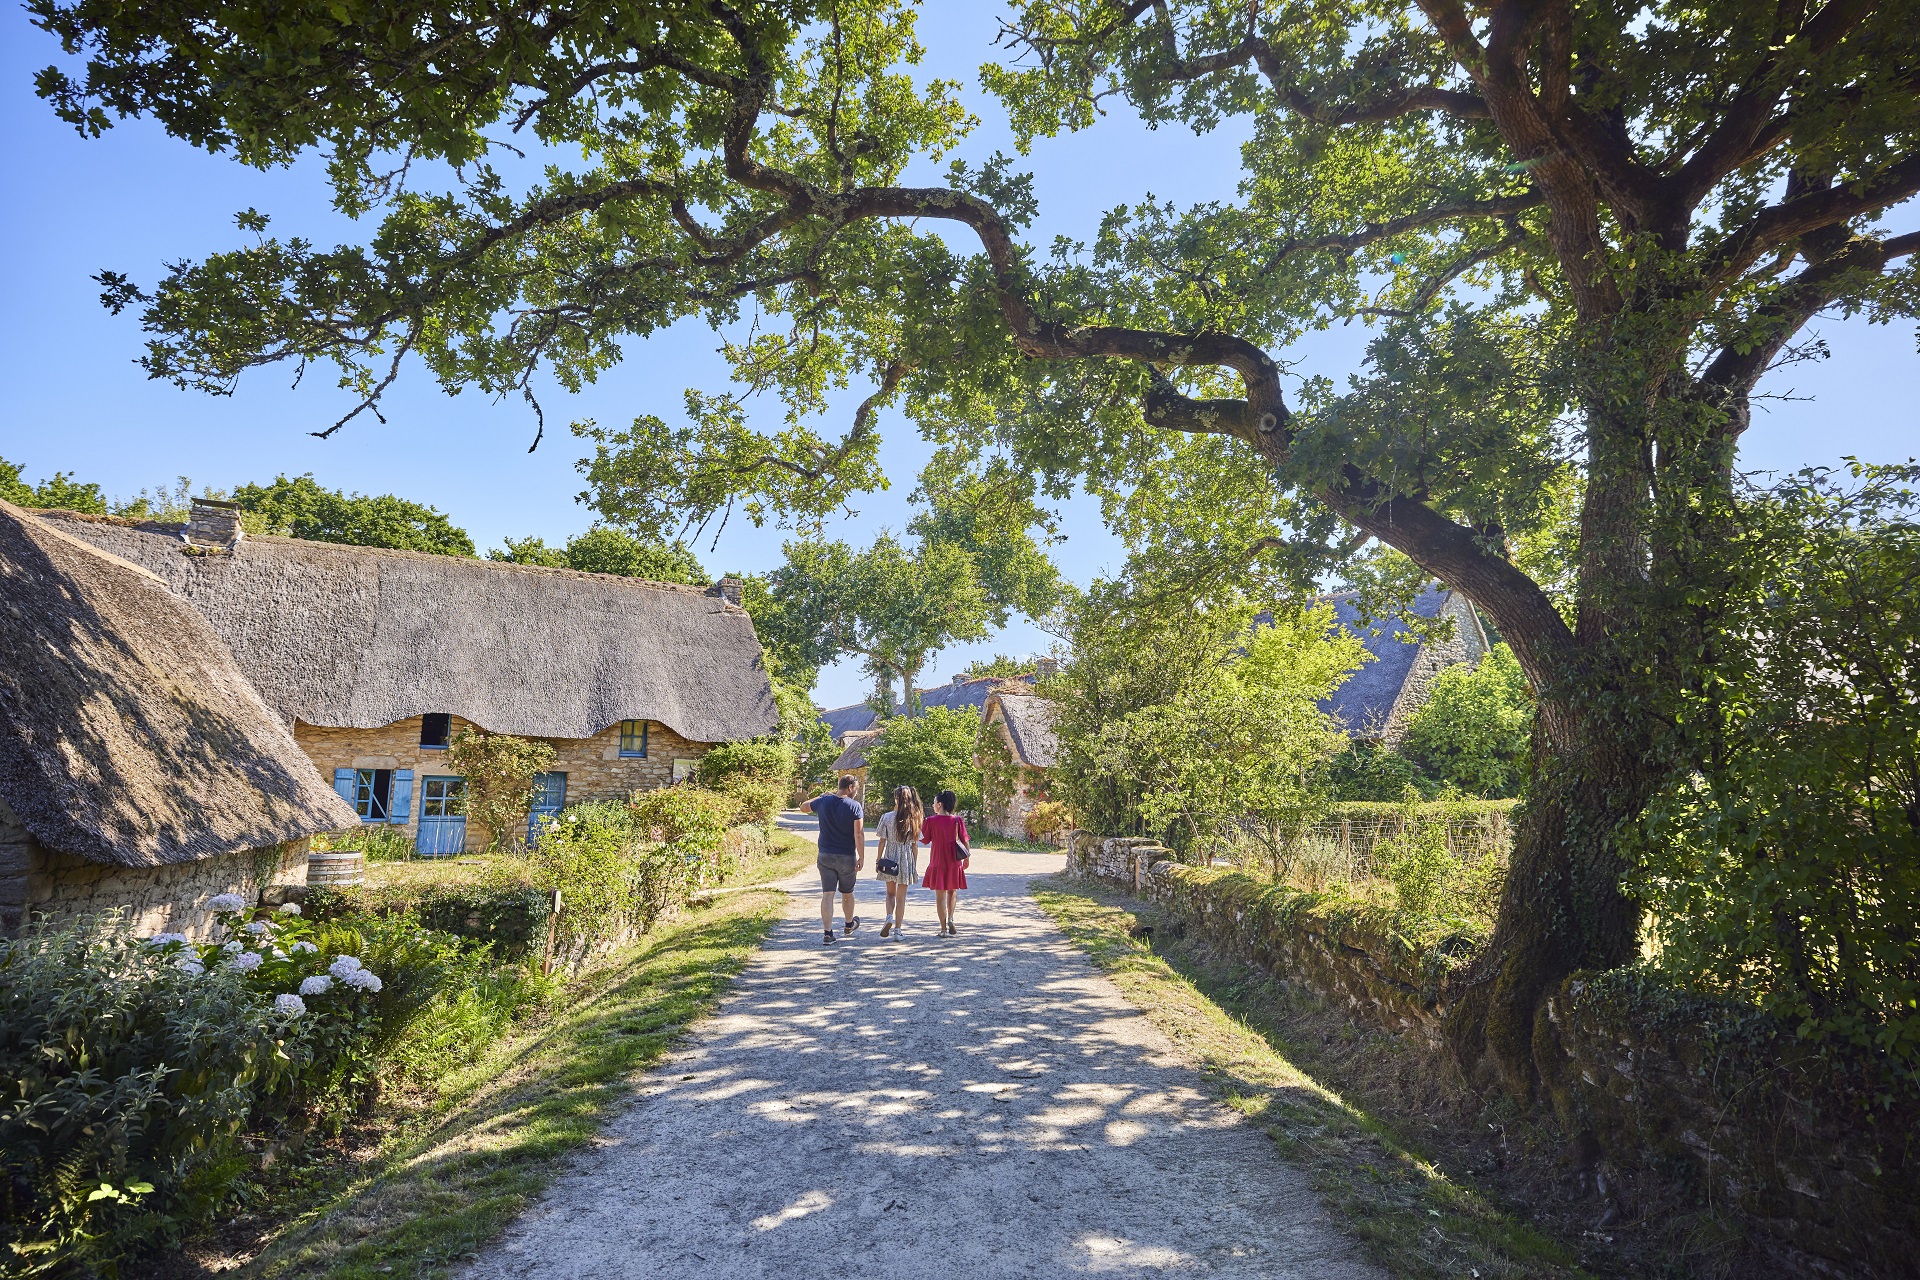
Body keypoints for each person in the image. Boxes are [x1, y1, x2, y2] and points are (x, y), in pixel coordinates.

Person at [805, 774, 866, 944]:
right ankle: (848, 925)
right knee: (847, 892)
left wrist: (821, 795)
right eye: (857, 788)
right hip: (846, 856)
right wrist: (861, 856)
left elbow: (803, 807)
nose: (857, 792)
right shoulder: (855, 806)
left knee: (827, 894)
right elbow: (859, 833)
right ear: (850, 787)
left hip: (825, 855)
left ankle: (828, 933)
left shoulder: (824, 801)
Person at [919, 789, 970, 936]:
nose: (933, 805)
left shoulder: (930, 821)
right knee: (952, 891)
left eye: (934, 803)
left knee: (940, 896)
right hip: (954, 861)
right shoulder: (957, 820)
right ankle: (951, 918)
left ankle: (943, 929)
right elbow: (965, 840)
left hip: (938, 861)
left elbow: (924, 839)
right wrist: (967, 857)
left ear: (939, 804)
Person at [874, 785, 922, 938]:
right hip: (906, 857)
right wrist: (913, 864)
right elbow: (915, 845)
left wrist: (878, 859)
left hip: (889, 857)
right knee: (901, 897)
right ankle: (898, 931)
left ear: (896, 798)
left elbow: (882, 841)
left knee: (890, 893)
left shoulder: (886, 817)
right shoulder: (914, 818)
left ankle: (889, 916)